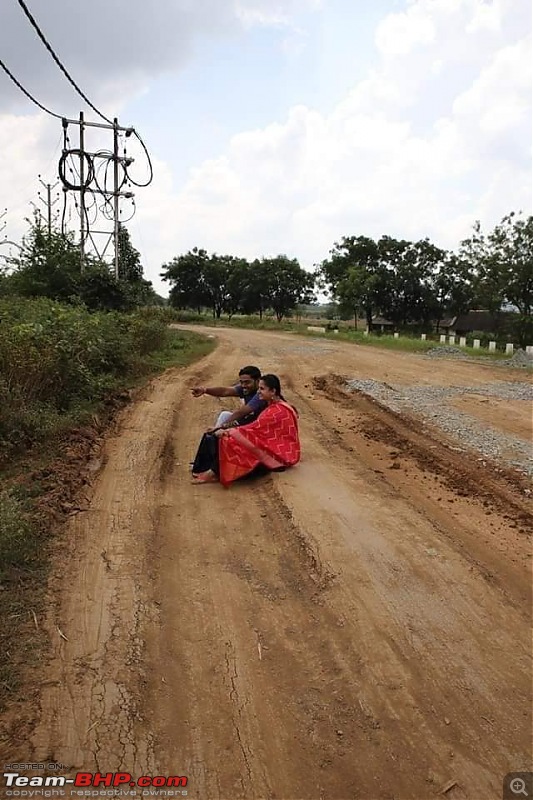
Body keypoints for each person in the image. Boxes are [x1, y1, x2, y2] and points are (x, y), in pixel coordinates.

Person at [191, 374, 300, 486]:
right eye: (259, 388)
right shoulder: (276, 405)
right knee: (222, 436)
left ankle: (213, 472)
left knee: (228, 441)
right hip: (272, 448)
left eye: (262, 389)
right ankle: (206, 469)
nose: (258, 392)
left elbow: (253, 427)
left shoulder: (276, 410)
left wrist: (227, 431)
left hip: (277, 456)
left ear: (273, 391)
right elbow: (226, 392)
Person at [191, 365, 267, 430]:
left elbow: (242, 412)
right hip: (248, 421)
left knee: (222, 431)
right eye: (241, 382)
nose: (243, 385)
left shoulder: (261, 393)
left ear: (258, 381)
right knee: (225, 415)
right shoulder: (246, 389)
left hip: (260, 427)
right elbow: (225, 391)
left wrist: (220, 427)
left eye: (247, 382)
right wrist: (205, 390)